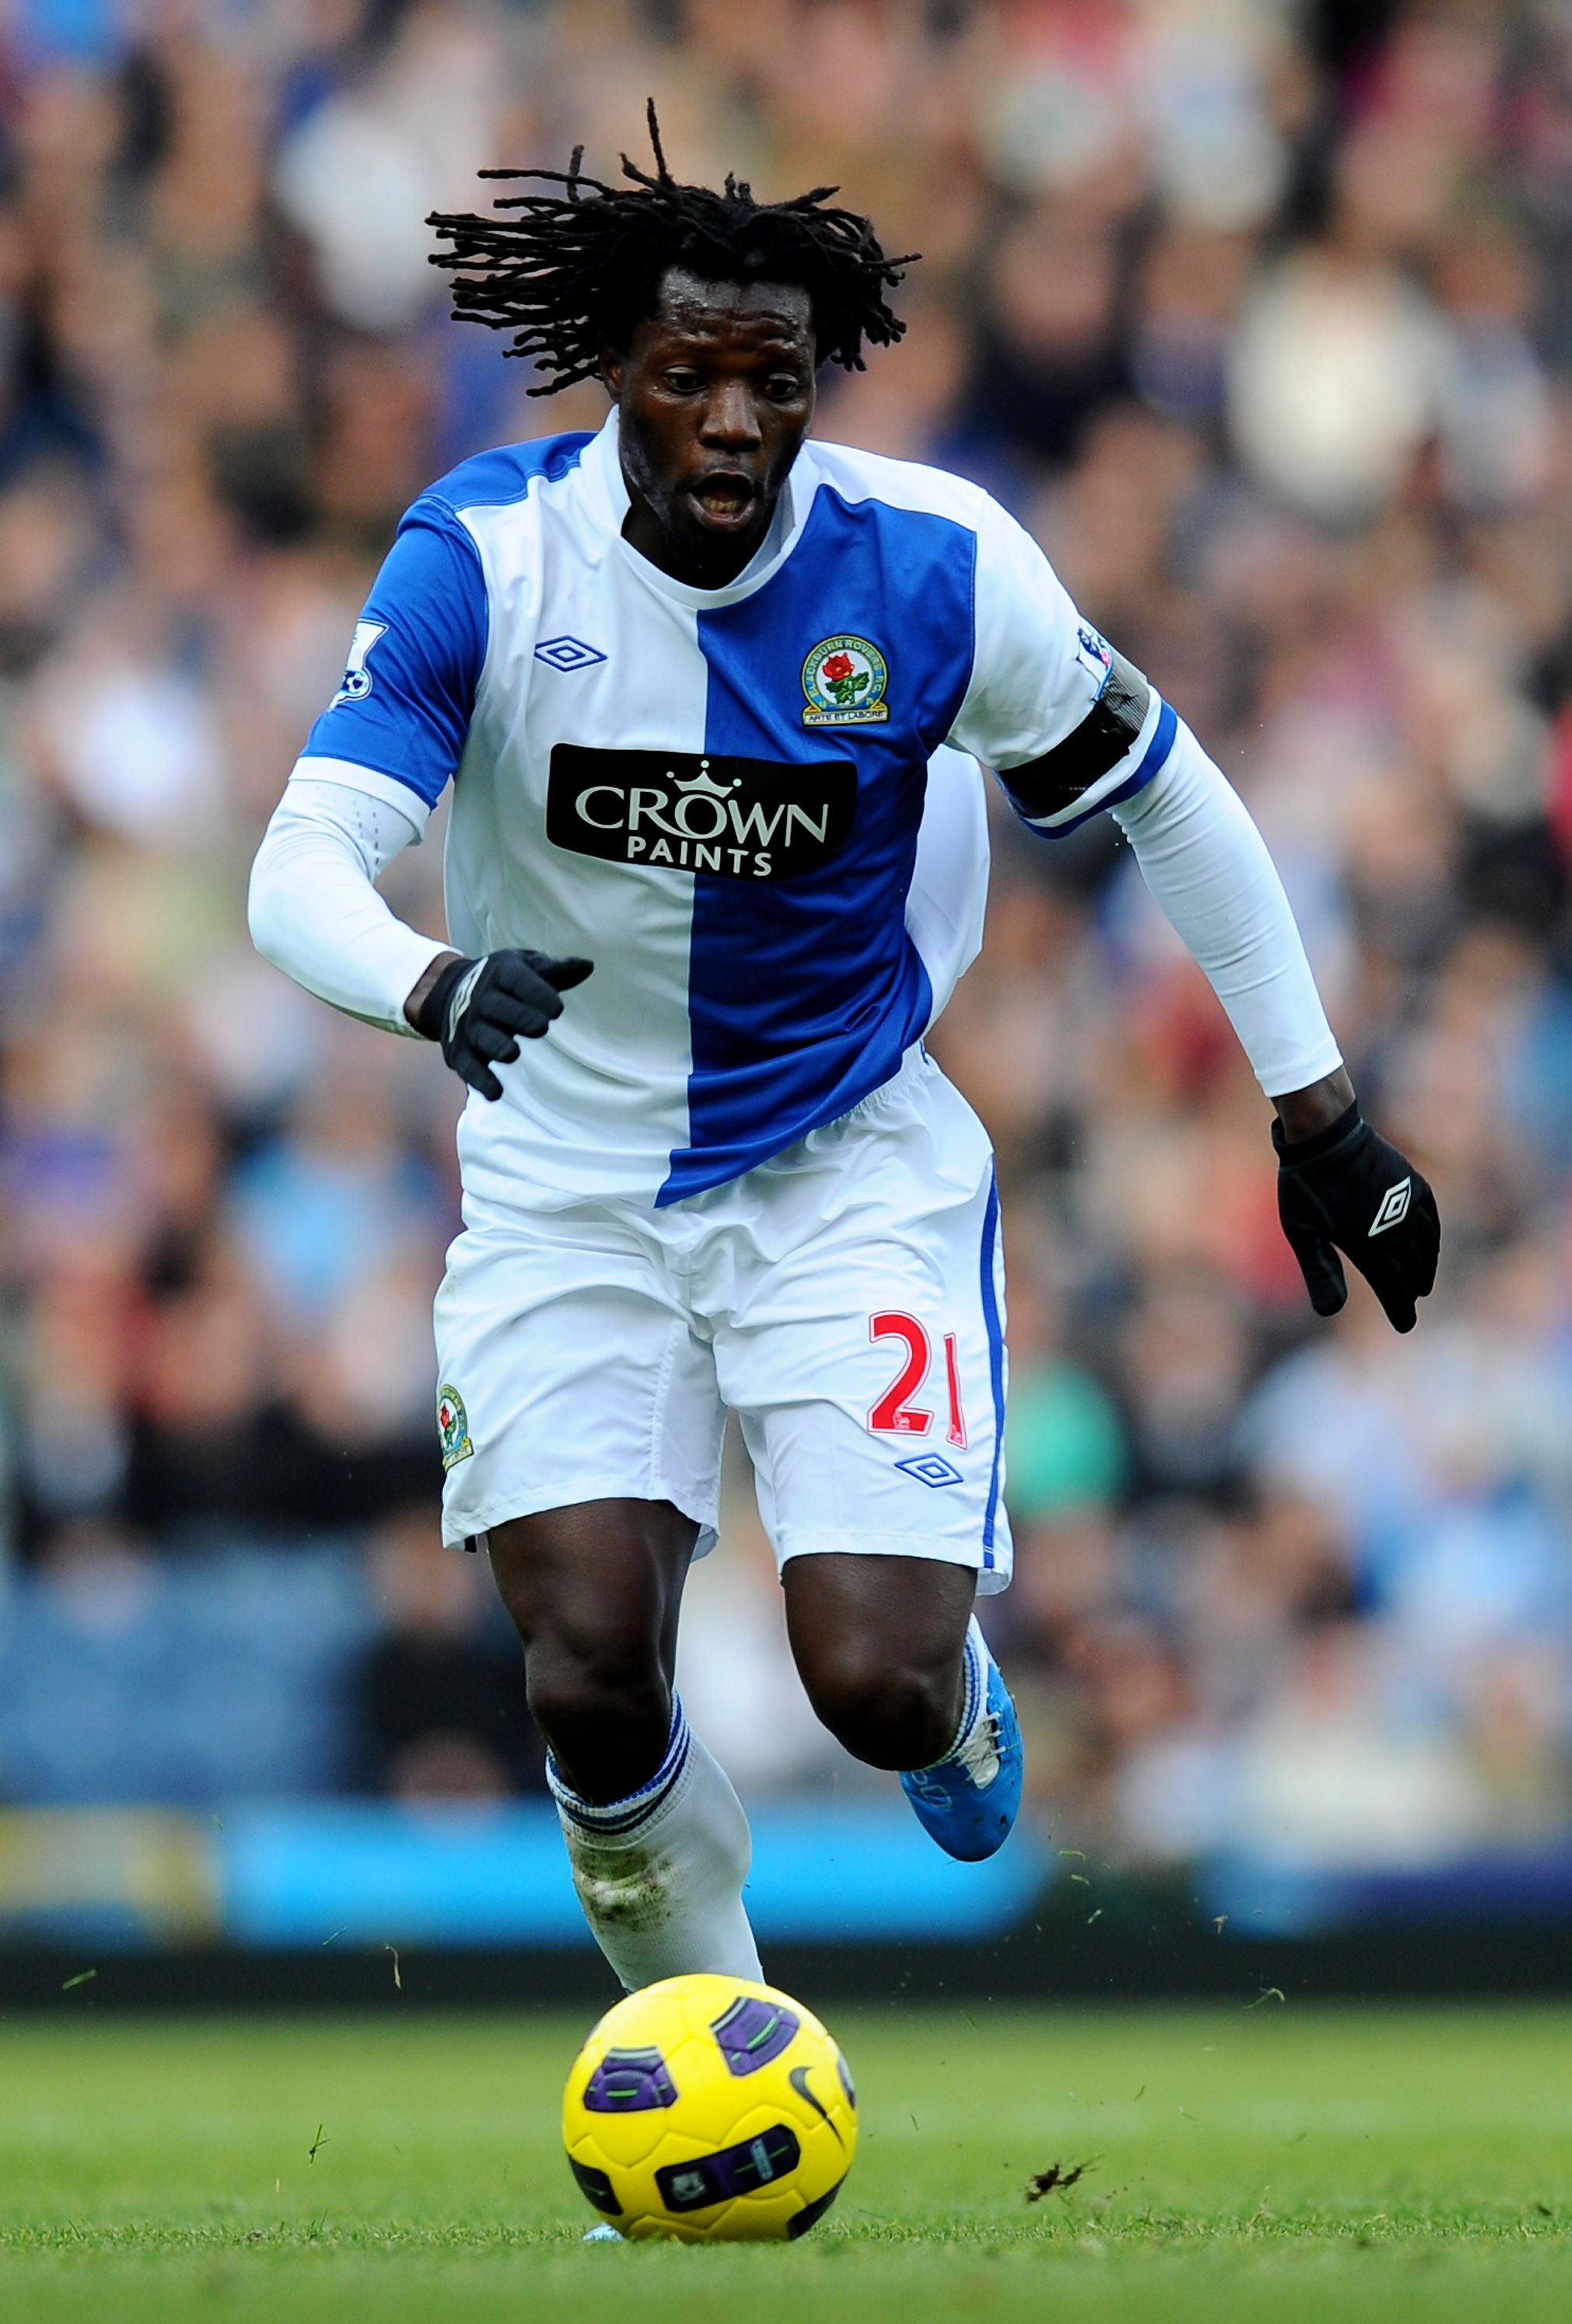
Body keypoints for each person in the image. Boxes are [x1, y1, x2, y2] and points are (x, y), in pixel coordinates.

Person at [248, 112, 1439, 1991]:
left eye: (773, 382)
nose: (732, 421)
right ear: (615, 379)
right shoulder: (484, 554)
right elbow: (301, 859)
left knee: (872, 1687)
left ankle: (950, 1695)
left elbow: (1176, 802)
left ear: (816, 390)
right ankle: (714, 2052)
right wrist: (422, 985)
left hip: (843, 1165)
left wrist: (1323, 1113)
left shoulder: (938, 566)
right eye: (687, 376)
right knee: (587, 1672)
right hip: (568, 1175)